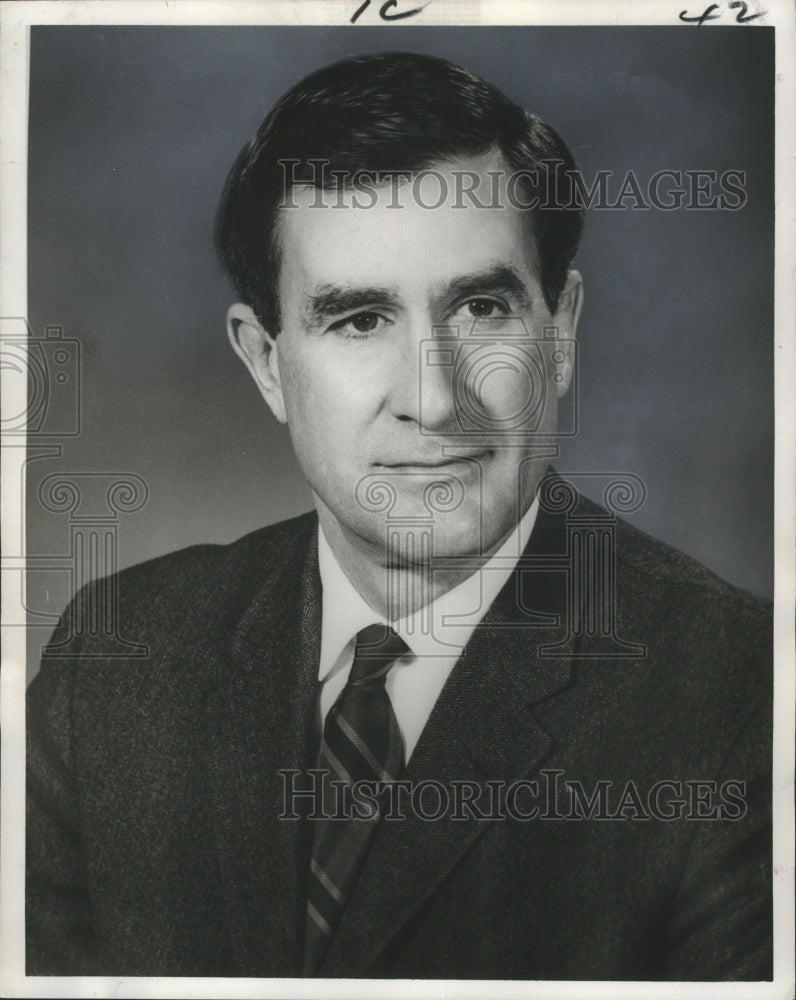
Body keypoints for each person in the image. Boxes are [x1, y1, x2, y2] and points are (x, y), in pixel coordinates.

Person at [26, 51, 772, 980]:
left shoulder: (742, 702)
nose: (434, 397)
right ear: (266, 363)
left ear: (562, 331)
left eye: (483, 307)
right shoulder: (113, 662)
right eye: (359, 321)